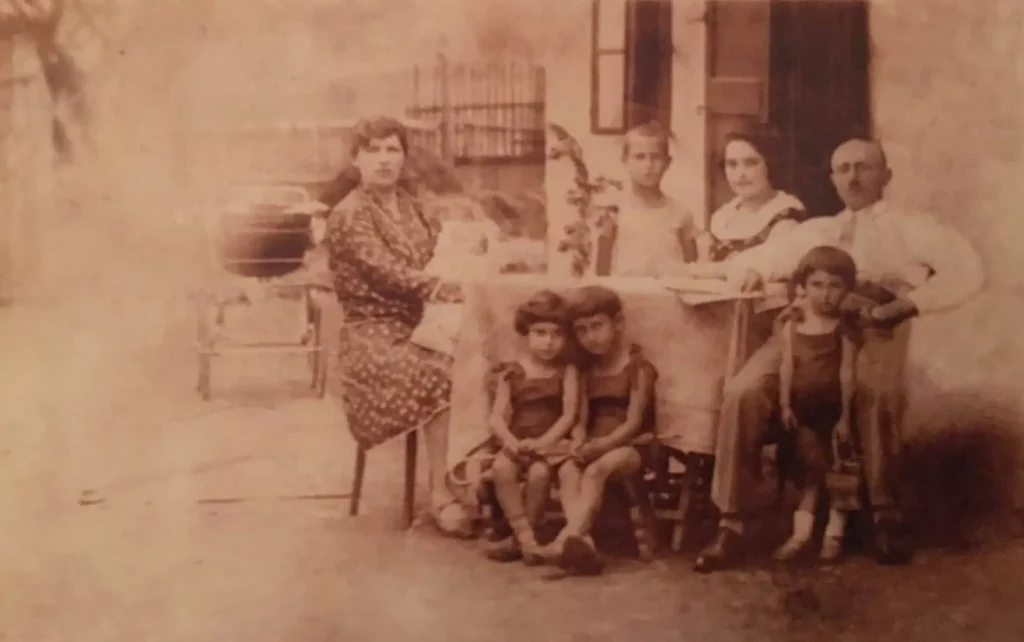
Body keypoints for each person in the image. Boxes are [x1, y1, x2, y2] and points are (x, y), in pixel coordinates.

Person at [691, 137, 985, 571]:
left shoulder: (914, 225)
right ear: (831, 178)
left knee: (875, 389)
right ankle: (731, 520)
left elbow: (968, 270)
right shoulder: (819, 229)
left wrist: (906, 305)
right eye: (843, 168)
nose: (853, 177)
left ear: (886, 175)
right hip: (810, 325)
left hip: (873, 322)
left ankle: (885, 515)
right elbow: (766, 258)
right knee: (743, 390)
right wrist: (750, 270)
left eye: (864, 167)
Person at [321, 115, 474, 537]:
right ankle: (441, 494)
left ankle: (472, 483)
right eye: (373, 150)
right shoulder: (349, 215)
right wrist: (445, 284)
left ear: (405, 158)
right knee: (440, 374)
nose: (385, 160)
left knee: (481, 359)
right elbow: (388, 273)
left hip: (417, 323)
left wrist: (473, 253)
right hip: (373, 337)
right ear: (356, 159)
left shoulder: (410, 206)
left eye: (393, 150)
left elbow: (440, 249)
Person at [546, 285, 659, 575]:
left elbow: (634, 422)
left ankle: (567, 538)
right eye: (581, 331)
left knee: (598, 470)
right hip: (596, 444)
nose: (590, 337)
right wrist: (580, 440)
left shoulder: (638, 368)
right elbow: (582, 420)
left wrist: (603, 446)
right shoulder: (587, 371)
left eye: (597, 326)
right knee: (569, 468)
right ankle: (585, 546)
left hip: (633, 446)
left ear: (618, 323)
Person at [771, 246, 863, 564]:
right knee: (810, 475)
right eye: (817, 285)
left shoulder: (845, 328)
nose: (825, 295)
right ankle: (801, 535)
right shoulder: (792, 325)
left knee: (839, 477)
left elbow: (847, 372)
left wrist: (846, 419)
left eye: (835, 286)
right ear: (803, 287)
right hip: (803, 415)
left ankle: (834, 535)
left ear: (847, 290)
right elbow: (787, 367)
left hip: (834, 414)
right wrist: (784, 405)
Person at [483, 290, 581, 565]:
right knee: (502, 468)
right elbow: (497, 417)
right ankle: (526, 539)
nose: (549, 342)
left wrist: (545, 442)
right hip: (517, 442)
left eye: (556, 334)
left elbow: (569, 415)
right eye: (540, 333)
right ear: (526, 332)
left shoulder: (567, 371)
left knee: (539, 475)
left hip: (548, 446)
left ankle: (520, 542)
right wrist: (511, 442)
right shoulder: (512, 371)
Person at [606, 123, 700, 276]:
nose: (648, 165)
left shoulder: (680, 213)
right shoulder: (614, 211)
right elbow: (602, 271)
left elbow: (692, 267)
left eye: (655, 157)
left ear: (667, 162)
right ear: (625, 161)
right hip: (627, 294)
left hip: (669, 294)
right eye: (640, 157)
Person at [703, 129, 806, 262]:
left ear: (770, 164)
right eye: (732, 164)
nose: (741, 174)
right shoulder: (722, 217)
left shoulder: (786, 215)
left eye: (750, 163)